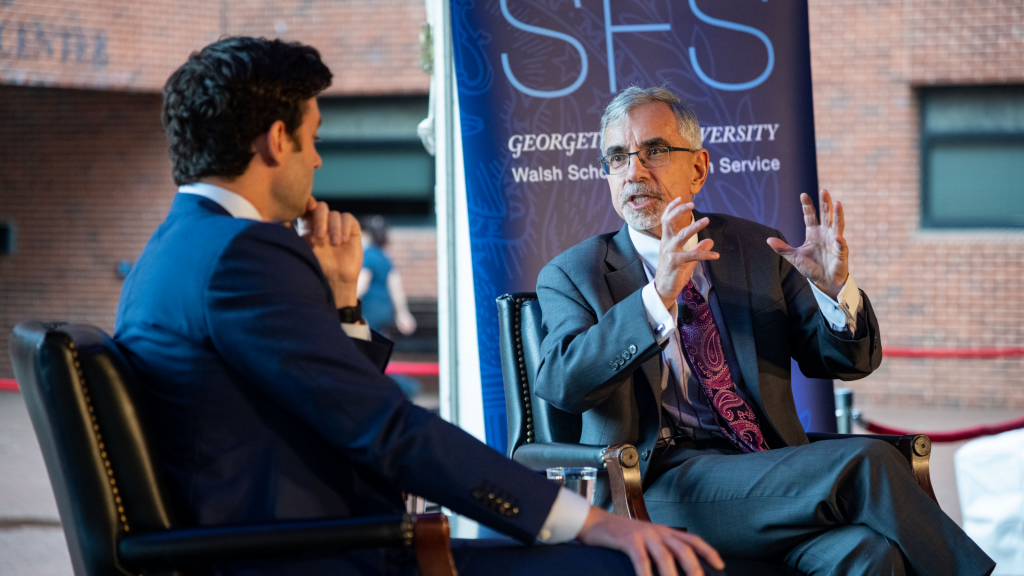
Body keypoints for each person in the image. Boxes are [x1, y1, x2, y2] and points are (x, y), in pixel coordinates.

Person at [113, 38, 725, 576]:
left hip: (297, 540)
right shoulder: (243, 257)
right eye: (312, 138)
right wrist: (594, 523)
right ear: (277, 140)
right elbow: (388, 430)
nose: (318, 159)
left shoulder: (178, 250)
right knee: (629, 565)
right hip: (313, 553)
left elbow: (332, 402)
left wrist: (344, 303)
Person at [535, 86, 995, 576]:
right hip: (660, 483)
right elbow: (562, 383)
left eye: (655, 151)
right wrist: (657, 298)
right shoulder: (574, 273)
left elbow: (845, 362)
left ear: (698, 168)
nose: (634, 170)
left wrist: (833, 291)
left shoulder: (752, 248)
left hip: (767, 469)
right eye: (618, 156)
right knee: (871, 459)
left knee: (867, 554)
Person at [358, 215, 418, 339]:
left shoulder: (368, 256)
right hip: (385, 310)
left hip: (369, 310)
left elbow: (361, 286)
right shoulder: (385, 257)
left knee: (365, 347)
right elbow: (396, 287)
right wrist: (402, 312)